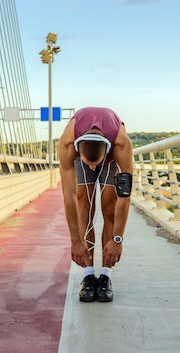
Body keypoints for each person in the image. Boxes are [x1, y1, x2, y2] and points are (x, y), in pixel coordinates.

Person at [58, 107, 134, 302]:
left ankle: (106, 276)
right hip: (85, 153)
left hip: (111, 159)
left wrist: (118, 240)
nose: (93, 168)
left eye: (96, 163)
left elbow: (124, 196)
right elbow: (69, 195)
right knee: (84, 206)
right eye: (89, 164)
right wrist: (75, 240)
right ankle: (89, 275)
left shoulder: (121, 144)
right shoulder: (67, 144)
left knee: (109, 207)